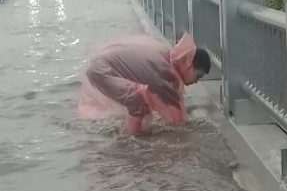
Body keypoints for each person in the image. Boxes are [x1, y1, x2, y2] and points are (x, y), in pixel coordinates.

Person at [77, 32, 211, 135]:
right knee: (137, 100)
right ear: (188, 64)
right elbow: (173, 106)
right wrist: (184, 129)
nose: (196, 81)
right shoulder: (163, 69)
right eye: (198, 76)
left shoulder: (166, 59)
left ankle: (133, 135)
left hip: (102, 67)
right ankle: (132, 139)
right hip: (101, 71)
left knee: (140, 102)